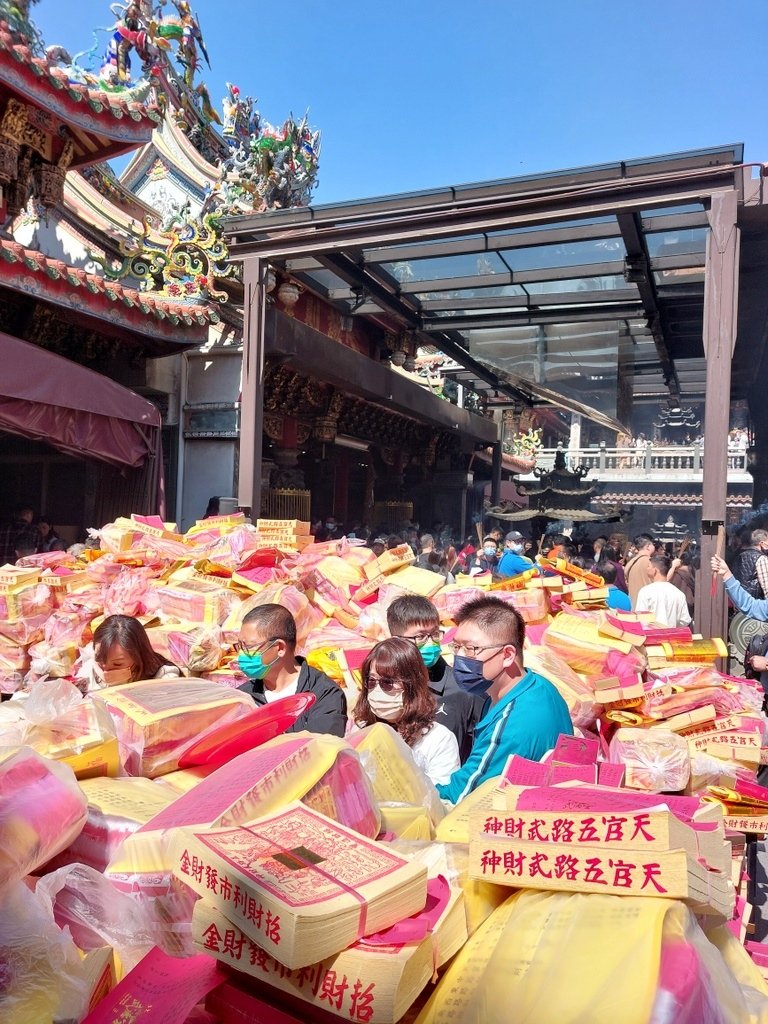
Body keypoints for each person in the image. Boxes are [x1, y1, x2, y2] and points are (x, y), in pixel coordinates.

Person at [436, 597, 573, 805]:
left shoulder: (512, 724)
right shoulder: (537, 685)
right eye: (457, 647)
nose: (460, 659)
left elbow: (460, 797)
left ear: (508, 654)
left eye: (471, 649)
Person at [352, 638, 460, 787]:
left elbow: (441, 798)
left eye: (387, 682)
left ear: (412, 685)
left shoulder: (438, 739)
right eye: (371, 681)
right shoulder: (360, 729)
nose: (377, 690)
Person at [386, 595, 481, 763]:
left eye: (435, 634)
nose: (431, 644)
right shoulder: (384, 688)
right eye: (420, 637)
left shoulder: (464, 689)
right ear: (396, 641)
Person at [237, 603, 346, 737]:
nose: (241, 654)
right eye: (240, 646)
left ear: (280, 648)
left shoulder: (324, 693)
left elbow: (320, 752)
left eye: (250, 647)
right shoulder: (243, 698)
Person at [92, 614, 181, 687]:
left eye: (117, 664)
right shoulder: (92, 668)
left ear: (139, 657)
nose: (105, 671)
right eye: (99, 659)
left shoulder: (165, 679)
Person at [634, 554, 692, 628]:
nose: (647, 568)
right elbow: (684, 620)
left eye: (649, 566)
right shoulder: (679, 594)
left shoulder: (646, 592)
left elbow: (640, 618)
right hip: (671, 636)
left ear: (655, 570)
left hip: (651, 636)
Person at [731, 529, 768, 599]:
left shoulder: (740, 555)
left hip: (739, 600)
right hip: (755, 603)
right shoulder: (762, 558)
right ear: (762, 544)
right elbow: (766, 585)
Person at [625, 533, 657, 606]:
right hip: (648, 605)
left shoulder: (630, 563)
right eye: (652, 544)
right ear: (648, 546)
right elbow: (662, 581)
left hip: (633, 604)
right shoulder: (650, 562)